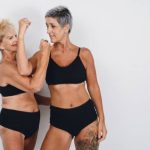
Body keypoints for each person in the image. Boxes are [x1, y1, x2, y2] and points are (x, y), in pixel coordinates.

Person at [17, 6, 107, 150]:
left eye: (53, 26)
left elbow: (93, 87)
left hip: (86, 117)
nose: (48, 30)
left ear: (66, 28)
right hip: (60, 120)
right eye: (47, 26)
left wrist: (102, 119)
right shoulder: (44, 54)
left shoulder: (84, 54)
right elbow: (23, 70)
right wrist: (21, 35)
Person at [0, 18, 50, 150]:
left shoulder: (21, 65)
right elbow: (35, 86)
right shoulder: (4, 68)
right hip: (14, 122)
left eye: (16, 36)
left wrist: (53, 101)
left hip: (33, 120)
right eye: (10, 38)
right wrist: (45, 55)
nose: (15, 40)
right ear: (1, 45)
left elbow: (30, 95)